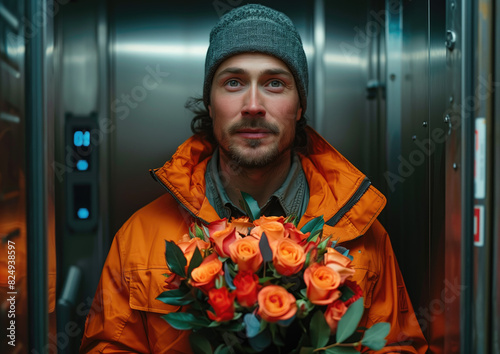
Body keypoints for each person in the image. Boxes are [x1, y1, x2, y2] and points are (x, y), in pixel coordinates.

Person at [80, 4, 427, 353]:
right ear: (211, 103)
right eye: (233, 82)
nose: (253, 104)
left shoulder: (362, 234)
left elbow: (399, 346)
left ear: (299, 106)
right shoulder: (140, 236)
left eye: (275, 83)